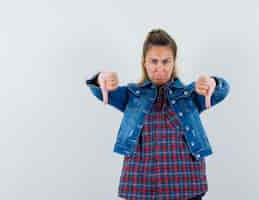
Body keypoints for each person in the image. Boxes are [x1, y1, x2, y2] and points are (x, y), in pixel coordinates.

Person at [86, 28, 230, 200]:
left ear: (173, 62)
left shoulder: (189, 94)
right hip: (142, 183)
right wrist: (101, 78)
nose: (159, 68)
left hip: (186, 182)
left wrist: (212, 82)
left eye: (165, 61)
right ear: (144, 63)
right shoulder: (132, 95)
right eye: (154, 61)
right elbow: (100, 91)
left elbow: (220, 91)